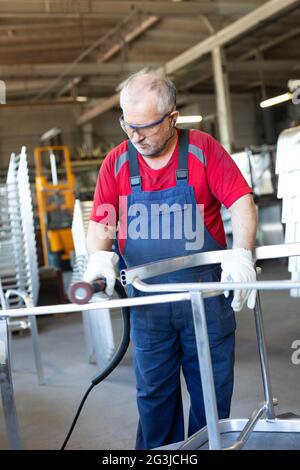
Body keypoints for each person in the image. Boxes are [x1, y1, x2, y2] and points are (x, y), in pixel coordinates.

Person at [84, 72, 257, 450]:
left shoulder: (203, 150)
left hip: (205, 300)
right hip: (148, 304)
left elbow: (242, 203)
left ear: (173, 119)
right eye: (128, 126)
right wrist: (98, 258)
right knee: (154, 400)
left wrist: (242, 253)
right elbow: (103, 222)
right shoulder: (116, 163)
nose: (135, 137)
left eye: (144, 127)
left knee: (211, 400)